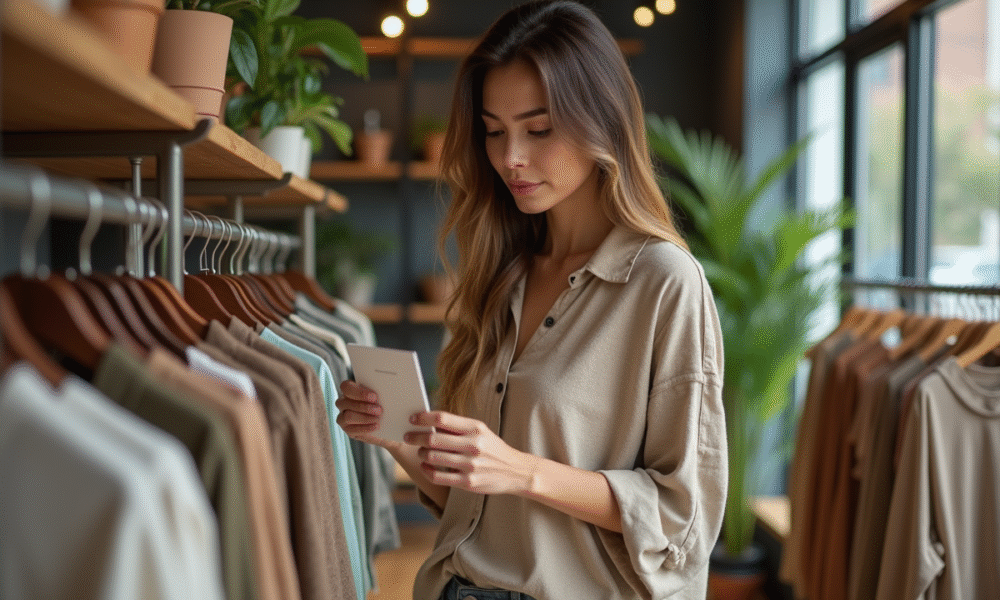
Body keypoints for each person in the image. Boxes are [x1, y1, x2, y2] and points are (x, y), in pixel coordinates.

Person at [335, 2, 727, 599]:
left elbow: (683, 517)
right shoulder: (501, 274)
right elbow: (466, 502)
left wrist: (523, 471)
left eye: (538, 129)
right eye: (494, 131)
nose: (510, 157)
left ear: (602, 122)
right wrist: (402, 443)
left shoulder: (663, 282)